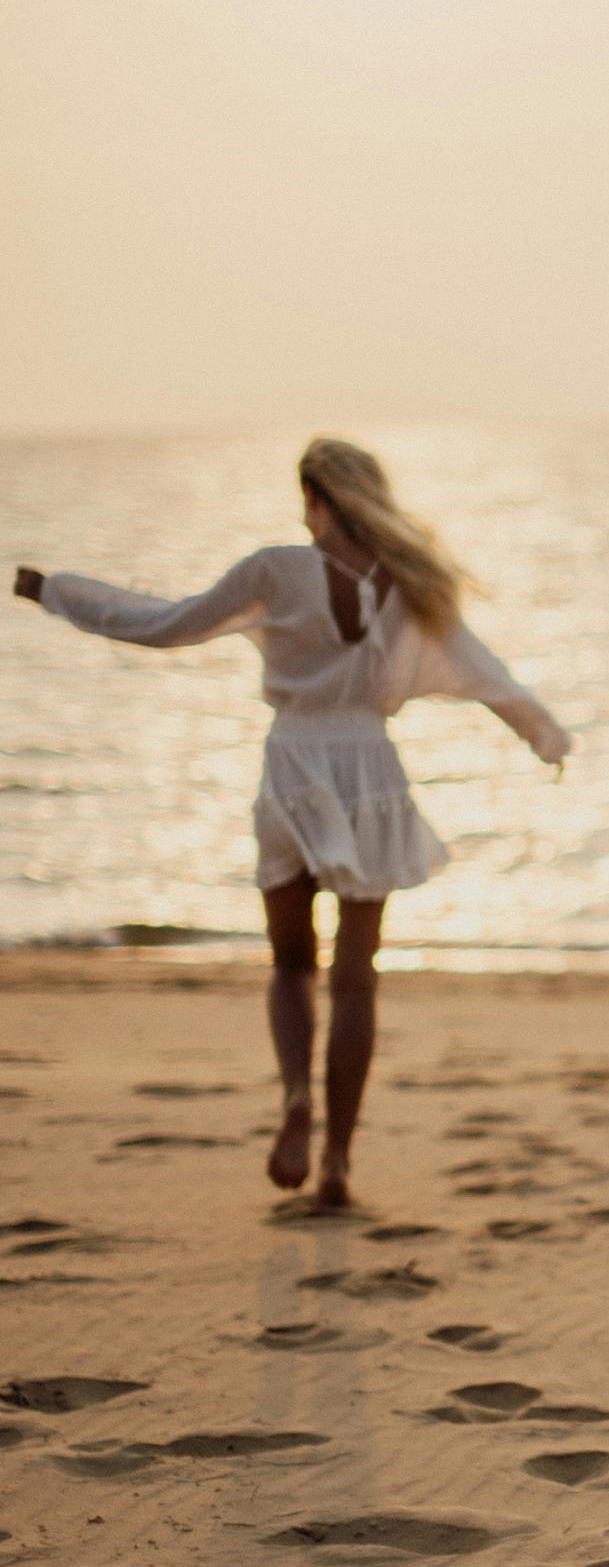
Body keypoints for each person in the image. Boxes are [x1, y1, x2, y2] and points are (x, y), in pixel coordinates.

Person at [14, 438, 570, 1211]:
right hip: (370, 770)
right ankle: (338, 1160)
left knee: (289, 965)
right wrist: (548, 739)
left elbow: (167, 623)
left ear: (315, 498)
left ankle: (294, 1105)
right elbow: (486, 674)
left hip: (292, 767)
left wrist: (56, 591)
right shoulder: (411, 582)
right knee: (357, 979)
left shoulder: (276, 568)